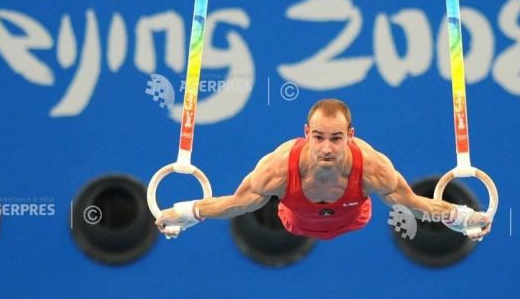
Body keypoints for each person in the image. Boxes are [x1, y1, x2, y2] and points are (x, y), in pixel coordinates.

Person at [155, 98, 493, 240]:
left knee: (388, 202)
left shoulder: (373, 168)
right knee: (253, 201)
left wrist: (464, 219)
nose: (327, 147)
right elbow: (235, 204)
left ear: (350, 136)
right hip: (295, 220)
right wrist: (185, 212)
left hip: (355, 216)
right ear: (306, 134)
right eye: (318, 137)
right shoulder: (277, 169)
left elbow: (416, 205)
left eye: (335, 138)